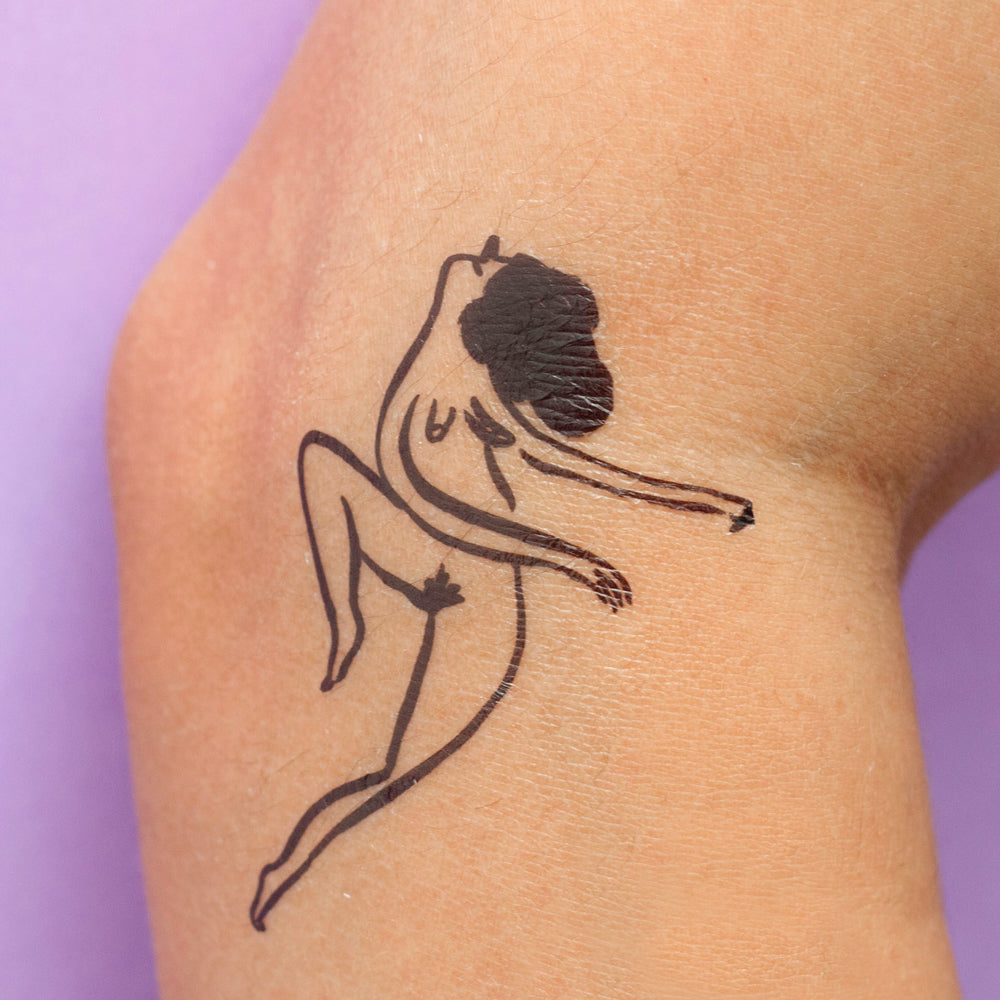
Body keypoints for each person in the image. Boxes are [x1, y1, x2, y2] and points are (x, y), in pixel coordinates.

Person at [108, 3, 1000, 997]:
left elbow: (579, 472)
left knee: (391, 765)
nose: (484, 255)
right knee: (377, 737)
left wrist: (697, 501)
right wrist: (583, 551)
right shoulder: (429, 388)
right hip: (437, 570)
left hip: (475, 601)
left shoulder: (473, 367)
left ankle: (297, 836)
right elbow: (430, 496)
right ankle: (307, 797)